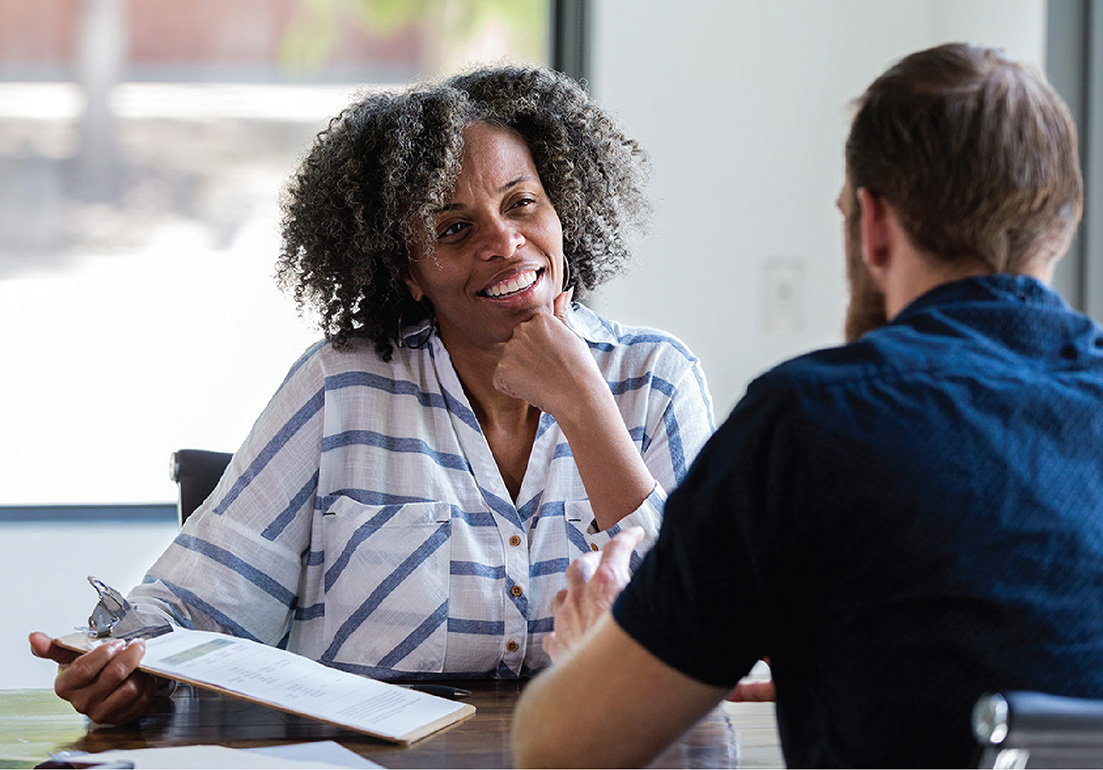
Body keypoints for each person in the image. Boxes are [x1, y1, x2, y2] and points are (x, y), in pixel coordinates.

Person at [28, 65, 714, 726]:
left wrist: (584, 406)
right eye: (453, 229)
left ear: (562, 208)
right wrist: (127, 668)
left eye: (522, 203)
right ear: (406, 271)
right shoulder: (341, 385)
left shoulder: (654, 379)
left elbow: (707, 625)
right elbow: (194, 604)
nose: (504, 242)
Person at [513, 43, 1103, 768]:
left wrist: (587, 650)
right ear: (1064, 221)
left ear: (873, 223)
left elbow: (559, 748)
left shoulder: (810, 425)